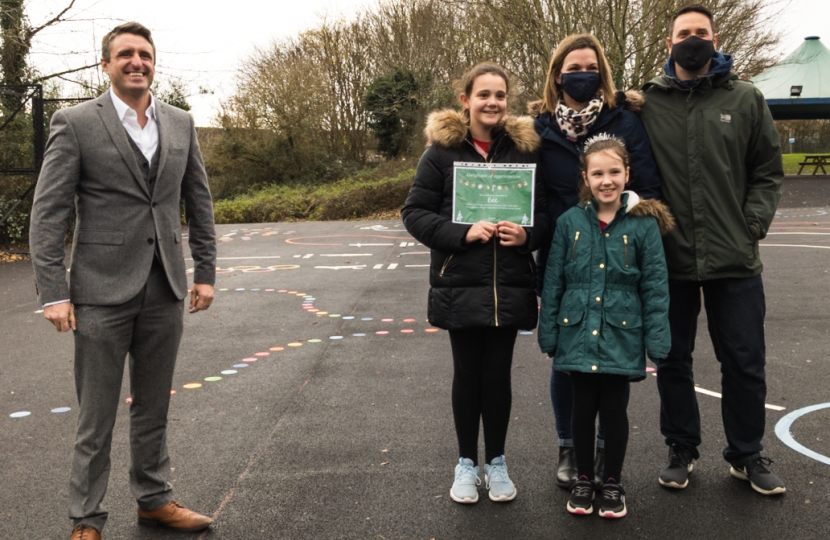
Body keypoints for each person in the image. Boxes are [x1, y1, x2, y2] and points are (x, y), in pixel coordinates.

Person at [29, 22, 217, 539]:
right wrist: (54, 291)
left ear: (154, 62)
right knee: (96, 418)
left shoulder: (180, 122)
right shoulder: (74, 122)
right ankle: (86, 518)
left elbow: (197, 202)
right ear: (106, 65)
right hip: (98, 291)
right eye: (126, 55)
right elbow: (48, 214)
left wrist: (206, 272)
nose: (137, 62)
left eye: (145, 54)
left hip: (165, 288)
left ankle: (154, 499)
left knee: (154, 407)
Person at [640, 4, 786, 495]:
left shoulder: (746, 98)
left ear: (715, 38)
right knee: (673, 358)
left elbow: (767, 171)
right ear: (669, 44)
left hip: (735, 258)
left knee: (744, 361)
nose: (693, 40)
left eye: (701, 32)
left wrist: (753, 224)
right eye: (684, 33)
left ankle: (746, 454)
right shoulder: (648, 103)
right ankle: (681, 448)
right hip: (671, 257)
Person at [402, 63, 549, 504]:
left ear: (508, 101)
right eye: (483, 94)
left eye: (500, 95)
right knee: (467, 375)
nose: (492, 103)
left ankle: (498, 462)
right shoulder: (440, 154)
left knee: (498, 375)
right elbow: (414, 212)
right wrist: (460, 233)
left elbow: (544, 215)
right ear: (466, 100)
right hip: (459, 283)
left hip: (510, 284)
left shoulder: (525, 153)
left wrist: (528, 235)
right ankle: (467, 463)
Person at [530, 33, 662, 488]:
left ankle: (605, 452)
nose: (581, 75)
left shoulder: (625, 119)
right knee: (566, 360)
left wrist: (634, 236)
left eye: (590, 67)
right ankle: (570, 446)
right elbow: (531, 196)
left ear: (601, 73)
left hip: (618, 254)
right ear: (557, 74)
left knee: (613, 357)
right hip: (562, 255)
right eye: (573, 67)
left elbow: (647, 184)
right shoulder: (540, 127)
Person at [538, 134, 673, 518]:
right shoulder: (569, 223)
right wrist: (549, 331)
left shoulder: (644, 226)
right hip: (577, 332)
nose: (607, 180)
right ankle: (584, 477)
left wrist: (657, 339)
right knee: (582, 408)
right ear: (585, 177)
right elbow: (553, 282)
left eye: (614, 171)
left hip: (621, 334)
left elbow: (656, 285)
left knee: (614, 409)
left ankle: (612, 481)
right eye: (598, 173)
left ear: (627, 173)